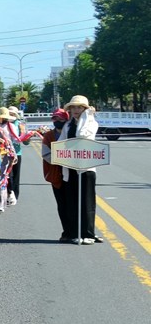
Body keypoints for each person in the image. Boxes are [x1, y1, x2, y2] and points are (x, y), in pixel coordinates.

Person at [61, 95, 101, 244]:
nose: (76, 110)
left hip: (86, 167)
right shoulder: (67, 125)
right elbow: (61, 142)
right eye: (73, 107)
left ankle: (88, 233)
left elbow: (82, 135)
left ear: (85, 109)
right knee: (72, 201)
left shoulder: (91, 123)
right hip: (70, 166)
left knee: (87, 201)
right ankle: (74, 232)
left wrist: (87, 116)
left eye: (79, 107)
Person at [41, 108, 72, 242]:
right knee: (62, 204)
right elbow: (46, 155)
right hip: (56, 175)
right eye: (55, 118)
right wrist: (62, 159)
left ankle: (75, 231)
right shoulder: (48, 136)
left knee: (73, 204)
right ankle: (66, 231)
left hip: (72, 174)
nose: (57, 121)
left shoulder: (72, 133)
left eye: (60, 118)